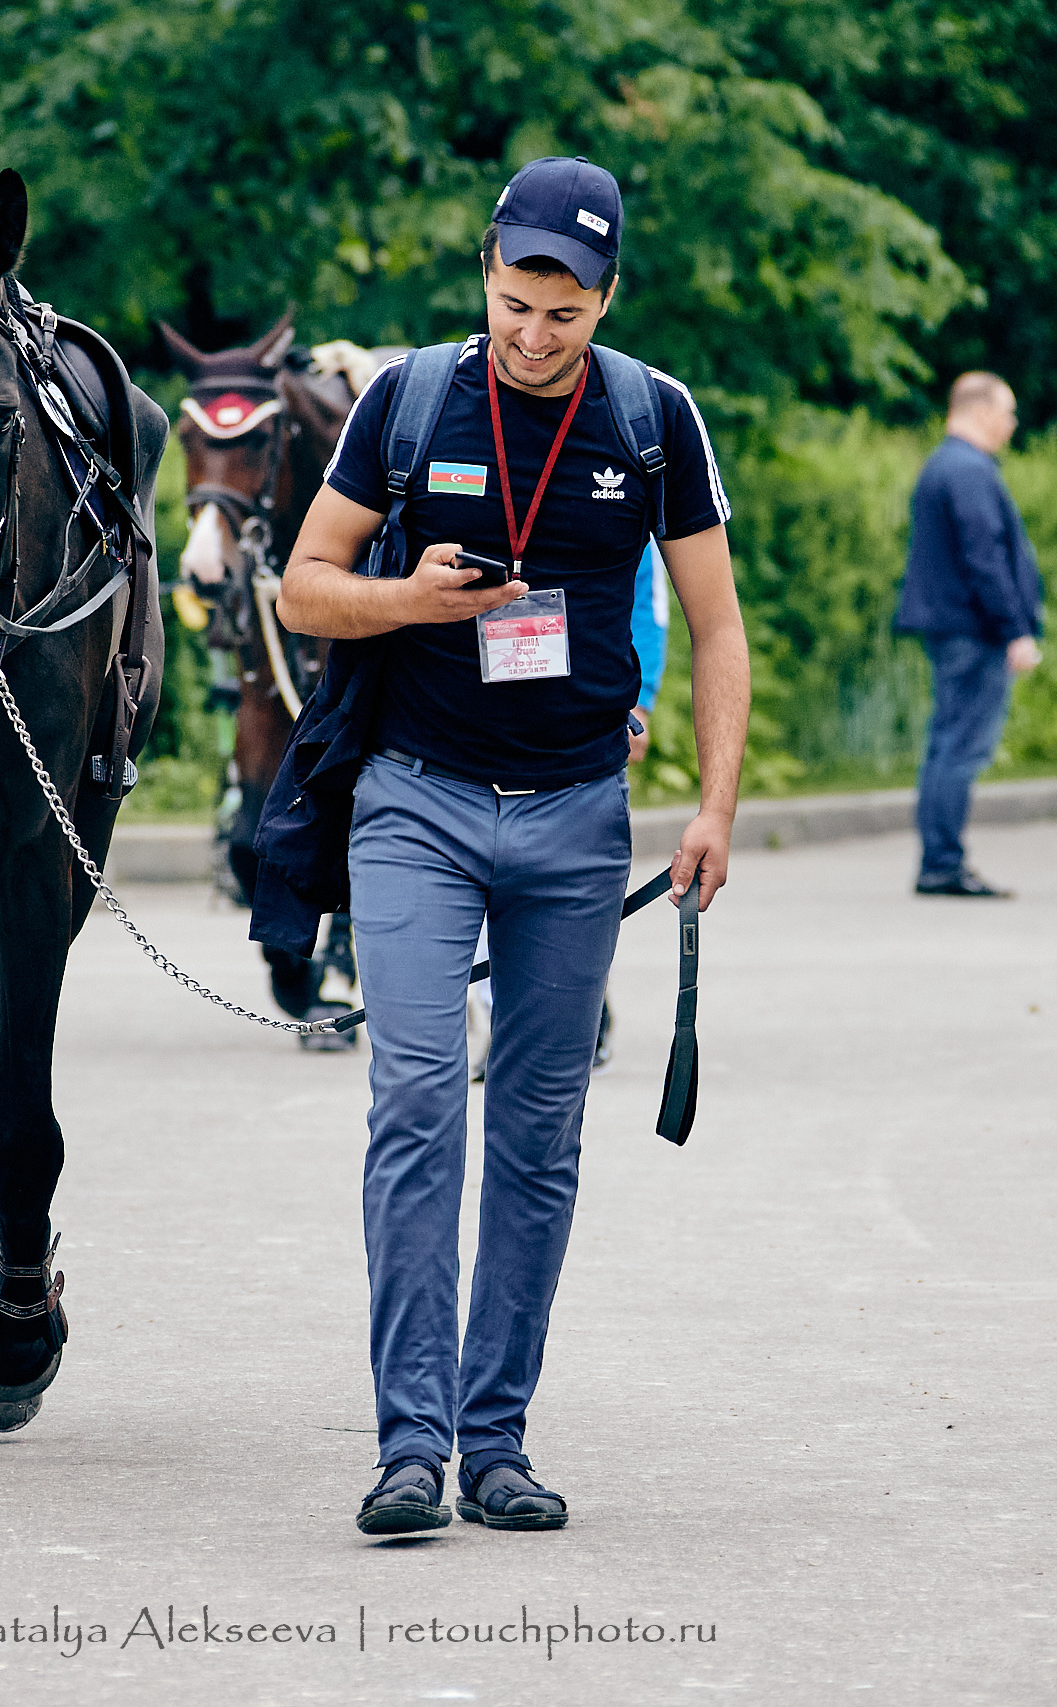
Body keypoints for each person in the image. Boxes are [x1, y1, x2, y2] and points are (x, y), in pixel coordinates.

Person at [270, 156, 750, 1536]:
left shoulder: (653, 420)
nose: (535, 336)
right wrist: (406, 598)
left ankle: (497, 1440)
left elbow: (718, 628)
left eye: (565, 313)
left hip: (577, 818)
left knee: (536, 1132)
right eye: (514, 302)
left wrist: (712, 805)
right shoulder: (411, 401)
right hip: (414, 802)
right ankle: (410, 1442)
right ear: (486, 269)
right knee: (418, 1099)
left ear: (607, 298)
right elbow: (304, 587)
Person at [466, 538, 666, 1080]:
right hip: (475, 730)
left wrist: (640, 696)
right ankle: (492, 1021)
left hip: (580, 726)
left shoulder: (611, 473)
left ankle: (583, 1001)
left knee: (562, 894)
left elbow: (646, 598)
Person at [896, 373, 1043, 898]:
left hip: (953, 628)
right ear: (980, 410)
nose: (1011, 424)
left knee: (947, 744)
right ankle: (942, 862)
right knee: (961, 747)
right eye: (1007, 412)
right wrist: (1015, 630)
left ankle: (940, 858)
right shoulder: (968, 470)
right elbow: (985, 557)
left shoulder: (946, 466)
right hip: (972, 631)